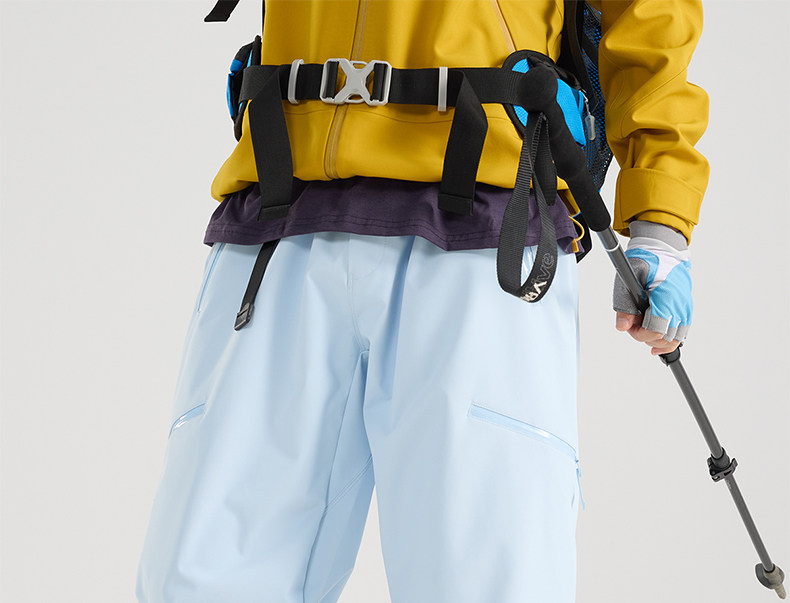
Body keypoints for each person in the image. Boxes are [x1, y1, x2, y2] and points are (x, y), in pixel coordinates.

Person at [135, 1, 708, 601]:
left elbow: (650, 17)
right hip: (279, 212)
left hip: (486, 232)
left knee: (486, 586)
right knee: (200, 584)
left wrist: (660, 220)